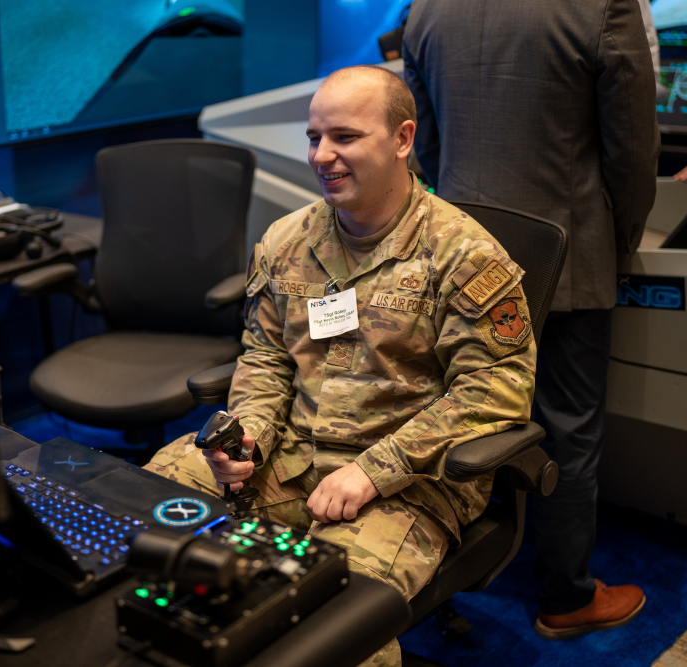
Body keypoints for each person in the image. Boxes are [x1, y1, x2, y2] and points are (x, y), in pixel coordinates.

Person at [144, 65, 537, 667]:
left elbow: (496, 391)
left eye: (346, 137)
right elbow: (268, 356)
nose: (322, 155)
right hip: (290, 455)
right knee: (148, 517)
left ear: (403, 139)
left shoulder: (463, 255)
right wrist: (249, 434)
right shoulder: (285, 241)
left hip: (406, 487)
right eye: (313, 137)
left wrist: (374, 472)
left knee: (334, 626)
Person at [403, 0, 659, 641]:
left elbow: (425, 140)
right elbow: (633, 153)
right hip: (569, 255)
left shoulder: (427, 11)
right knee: (568, 431)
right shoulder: (605, 7)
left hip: (460, 255)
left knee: (461, 410)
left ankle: (434, 563)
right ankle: (567, 597)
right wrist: (621, 244)